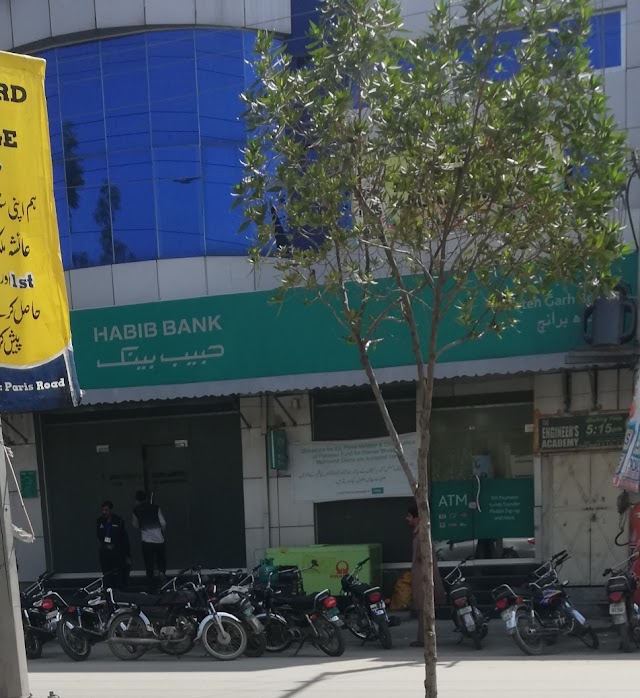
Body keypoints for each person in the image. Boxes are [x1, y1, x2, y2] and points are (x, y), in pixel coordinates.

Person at [406, 502, 446, 648]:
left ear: (416, 517)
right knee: (423, 610)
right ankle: (423, 639)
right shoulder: (420, 532)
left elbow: (421, 556)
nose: (407, 519)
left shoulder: (422, 534)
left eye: (409, 516)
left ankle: (425, 639)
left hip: (424, 578)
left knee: (425, 609)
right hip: (422, 577)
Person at [132, 490, 167, 589]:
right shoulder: (156, 508)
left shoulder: (136, 510)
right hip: (159, 539)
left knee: (149, 563)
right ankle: (161, 572)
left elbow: (135, 524)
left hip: (146, 541)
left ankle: (151, 583)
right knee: (161, 559)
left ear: (137, 500)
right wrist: (161, 530)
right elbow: (163, 523)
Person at [96, 501, 130, 590]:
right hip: (105, 550)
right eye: (103, 510)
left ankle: (119, 589)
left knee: (118, 571)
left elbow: (123, 537)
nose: (104, 512)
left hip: (116, 550)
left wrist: (126, 553)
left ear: (111, 510)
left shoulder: (118, 520)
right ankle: (107, 588)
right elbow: (99, 535)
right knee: (106, 572)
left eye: (106, 510)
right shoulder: (100, 521)